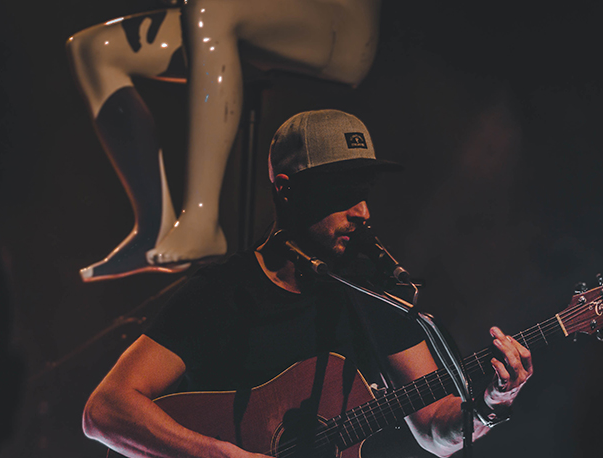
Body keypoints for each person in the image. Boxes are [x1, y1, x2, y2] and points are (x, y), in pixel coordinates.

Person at [82, 109, 533, 458]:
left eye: (364, 193)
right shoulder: (221, 292)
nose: (362, 211)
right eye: (342, 192)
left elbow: (435, 431)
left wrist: (492, 402)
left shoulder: (373, 297)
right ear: (286, 189)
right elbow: (104, 410)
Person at [67, 0, 385, 279]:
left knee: (211, 8)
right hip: (237, 16)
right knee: (94, 49)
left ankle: (201, 219)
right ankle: (153, 226)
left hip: (339, 20)